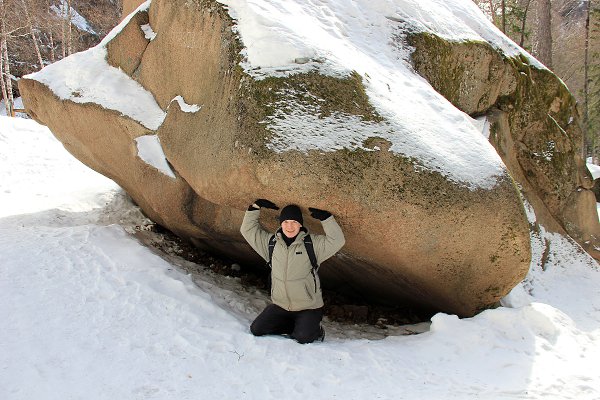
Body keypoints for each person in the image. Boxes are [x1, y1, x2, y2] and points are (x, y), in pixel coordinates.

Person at [240, 199, 345, 344]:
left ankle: (316, 330)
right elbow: (248, 230)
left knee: (303, 338)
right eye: (286, 222)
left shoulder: (311, 244)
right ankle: (297, 326)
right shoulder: (271, 243)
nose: (290, 226)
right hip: (281, 306)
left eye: (294, 222)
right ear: (281, 224)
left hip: (308, 307)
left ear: (300, 224)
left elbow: (337, 241)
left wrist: (327, 219)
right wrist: (255, 207)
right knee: (257, 329)